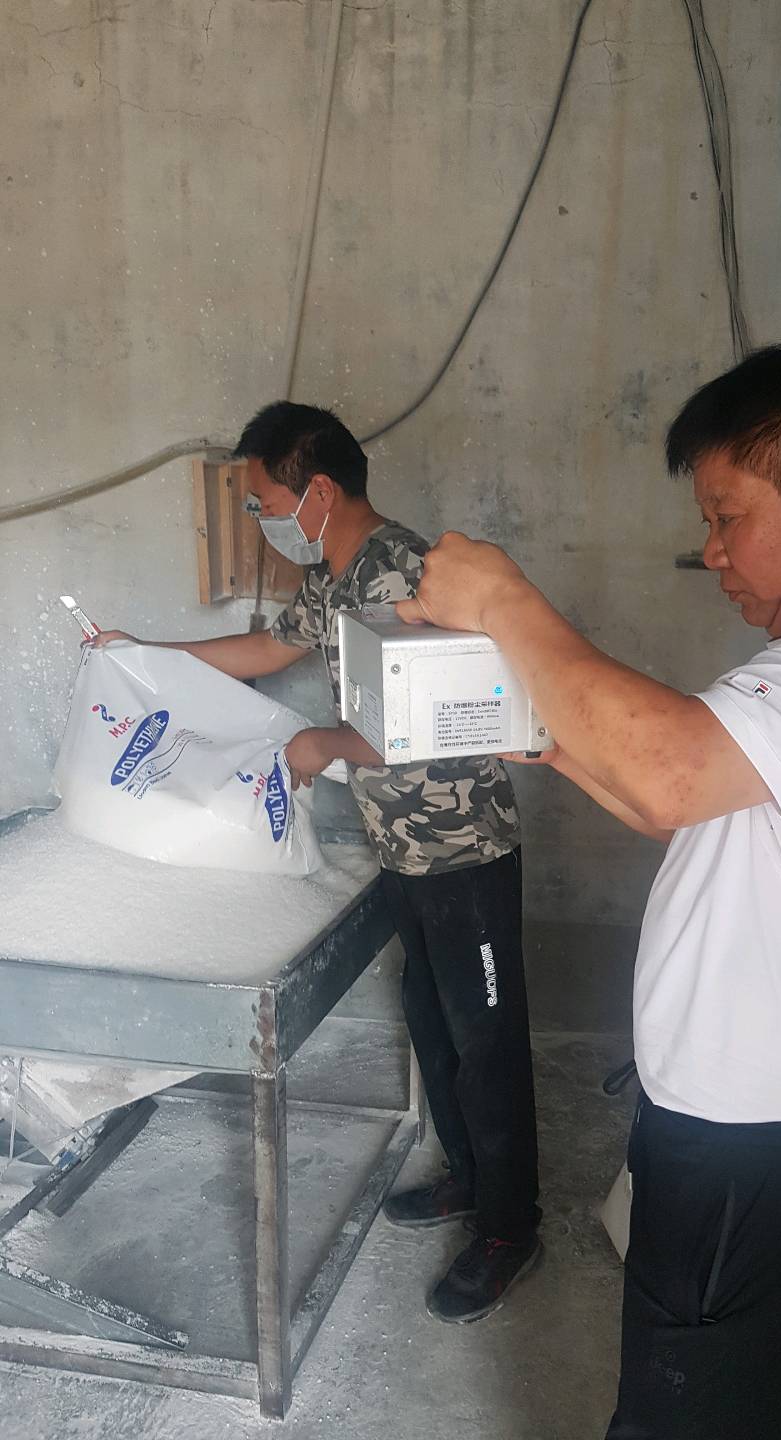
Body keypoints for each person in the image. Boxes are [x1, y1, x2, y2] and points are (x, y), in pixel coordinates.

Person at [394, 344, 781, 1438]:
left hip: (779, 1155)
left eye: (728, 517)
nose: (711, 550)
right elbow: (676, 802)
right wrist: (551, 739)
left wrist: (504, 601)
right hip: (754, 1142)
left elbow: (670, 774)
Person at [92, 402, 542, 1323]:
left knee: (487, 1042)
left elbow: (452, 715)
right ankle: (470, 1178)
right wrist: (145, 657)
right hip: (404, 851)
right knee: (433, 1021)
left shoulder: (409, 574)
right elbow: (269, 648)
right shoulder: (336, 577)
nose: (261, 518)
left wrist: (323, 745)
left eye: (265, 502)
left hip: (464, 851)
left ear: (319, 491)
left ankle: (511, 1228)